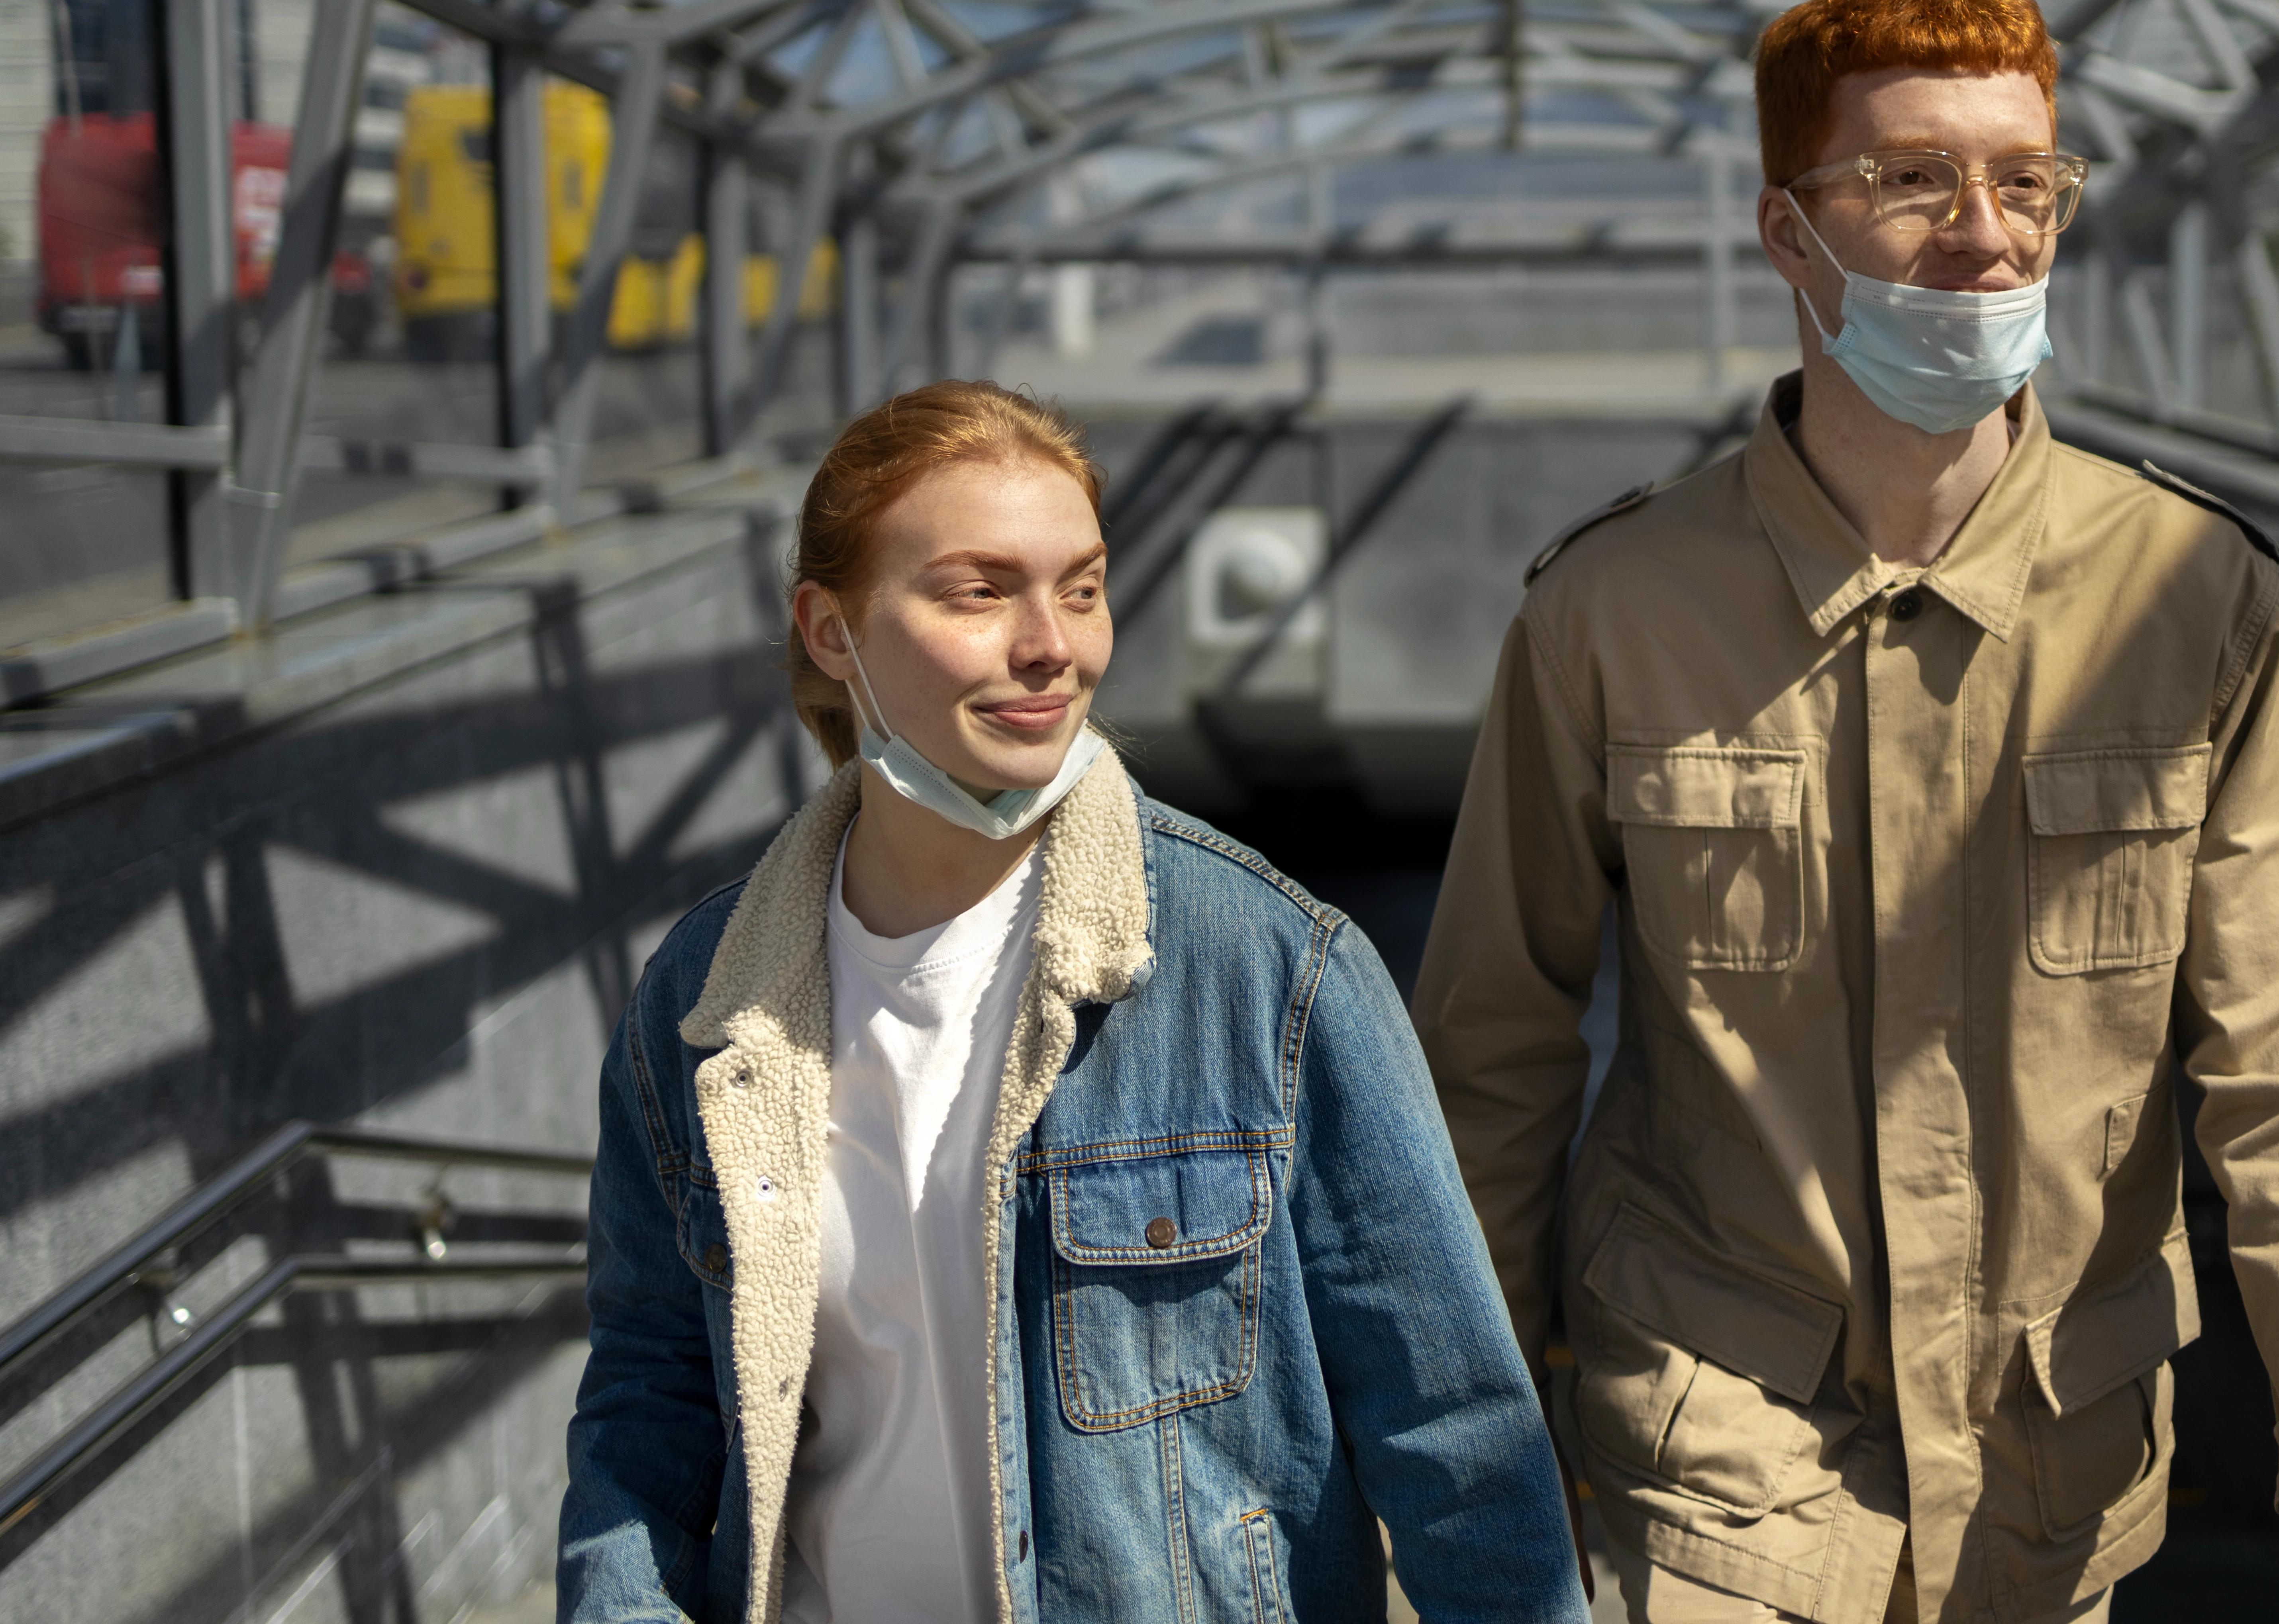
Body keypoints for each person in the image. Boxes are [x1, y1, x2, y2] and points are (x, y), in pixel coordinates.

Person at [1412, 0, 2279, 1624]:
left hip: (2059, 1481)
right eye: (1910, 180)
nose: (1983, 233)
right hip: (1713, 1464)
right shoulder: (1611, 613)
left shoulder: (2198, 599)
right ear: (1788, 234)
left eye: (2025, 179)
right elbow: (1492, 1054)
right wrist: (1446, 1458)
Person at [559, 381, 1588, 1624]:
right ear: (831, 630)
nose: (1052, 644)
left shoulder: (1266, 969)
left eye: (1083, 587)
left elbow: (1460, 1437)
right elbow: (646, 1403)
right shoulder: (711, 1000)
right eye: (979, 591)